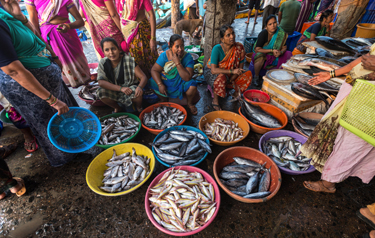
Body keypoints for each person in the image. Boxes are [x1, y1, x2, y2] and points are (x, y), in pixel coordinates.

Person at [0, 0, 79, 167]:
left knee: (65, 116)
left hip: (46, 72)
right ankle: (67, 160)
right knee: (47, 123)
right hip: (30, 89)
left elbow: (34, 36)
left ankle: (76, 146)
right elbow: (13, 70)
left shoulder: (6, 10)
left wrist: (19, 16)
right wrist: (52, 100)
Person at [301, 47, 375, 193]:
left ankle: (328, 184)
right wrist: (332, 74)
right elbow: (364, 59)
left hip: (369, 106)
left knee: (353, 143)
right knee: (340, 136)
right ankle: (332, 171)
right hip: (356, 95)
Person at [26, 0, 90, 88]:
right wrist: (40, 42)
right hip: (49, 38)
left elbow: (80, 21)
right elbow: (34, 22)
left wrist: (68, 26)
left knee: (80, 66)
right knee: (59, 67)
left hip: (68, 36)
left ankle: (87, 87)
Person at [204, 25, 252, 111]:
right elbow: (214, 70)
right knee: (221, 77)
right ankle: (215, 101)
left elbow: (240, 70)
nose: (232, 36)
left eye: (233, 33)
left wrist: (231, 79)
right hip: (213, 72)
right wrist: (232, 71)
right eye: (228, 35)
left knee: (247, 74)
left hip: (230, 74)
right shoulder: (217, 49)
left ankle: (235, 93)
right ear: (222, 39)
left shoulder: (239, 48)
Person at [149, 34, 198, 115]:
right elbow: (154, 70)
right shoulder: (164, 55)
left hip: (181, 83)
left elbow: (187, 78)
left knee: (192, 86)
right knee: (151, 81)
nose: (180, 49)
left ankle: (189, 103)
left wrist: (177, 63)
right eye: (177, 46)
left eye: (182, 46)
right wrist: (160, 84)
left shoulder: (187, 57)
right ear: (170, 46)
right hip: (167, 81)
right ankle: (164, 99)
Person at [97, 38, 147, 113]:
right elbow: (101, 82)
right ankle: (117, 108)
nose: (111, 52)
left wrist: (140, 87)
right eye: (107, 50)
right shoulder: (103, 62)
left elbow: (143, 77)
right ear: (103, 52)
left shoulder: (128, 60)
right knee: (101, 92)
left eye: (113, 49)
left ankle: (139, 107)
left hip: (129, 89)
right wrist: (120, 88)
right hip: (114, 90)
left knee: (137, 92)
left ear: (118, 49)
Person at [116, 0, 159, 79]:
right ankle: (142, 82)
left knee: (151, 57)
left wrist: (153, 38)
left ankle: (155, 80)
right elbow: (118, 16)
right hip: (129, 33)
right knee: (136, 60)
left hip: (143, 31)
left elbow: (152, 14)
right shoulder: (120, 1)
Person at [252, 15, 292, 88]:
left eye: (274, 23)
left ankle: (279, 76)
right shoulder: (263, 33)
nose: (273, 26)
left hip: (275, 55)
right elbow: (257, 49)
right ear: (266, 26)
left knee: (288, 54)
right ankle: (256, 77)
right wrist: (271, 50)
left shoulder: (280, 33)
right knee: (259, 55)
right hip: (264, 54)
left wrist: (281, 52)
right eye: (270, 24)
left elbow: (284, 47)